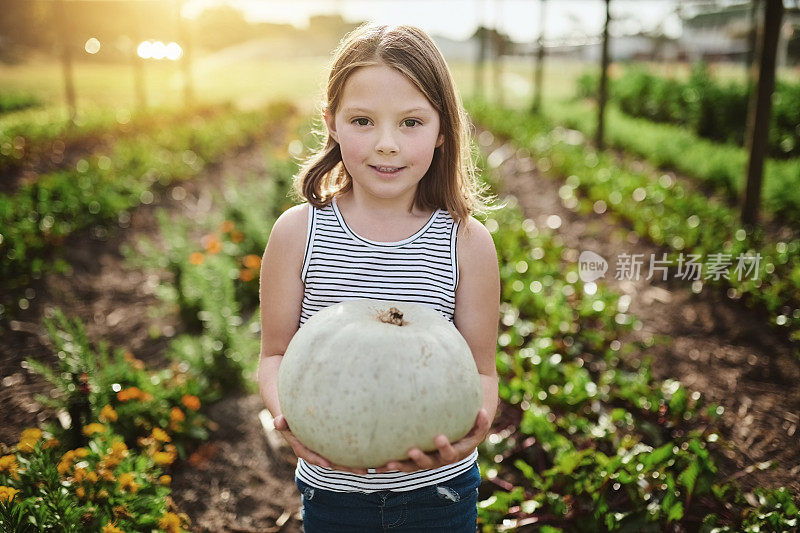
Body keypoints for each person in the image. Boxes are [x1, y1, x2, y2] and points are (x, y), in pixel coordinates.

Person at [257, 22, 501, 532]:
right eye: (363, 120)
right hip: (334, 492)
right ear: (331, 123)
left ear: (442, 131)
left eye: (411, 122)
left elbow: (481, 371)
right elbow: (275, 355)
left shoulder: (466, 243)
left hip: (442, 492)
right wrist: (293, 421)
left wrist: (468, 435)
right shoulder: (298, 234)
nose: (386, 144)